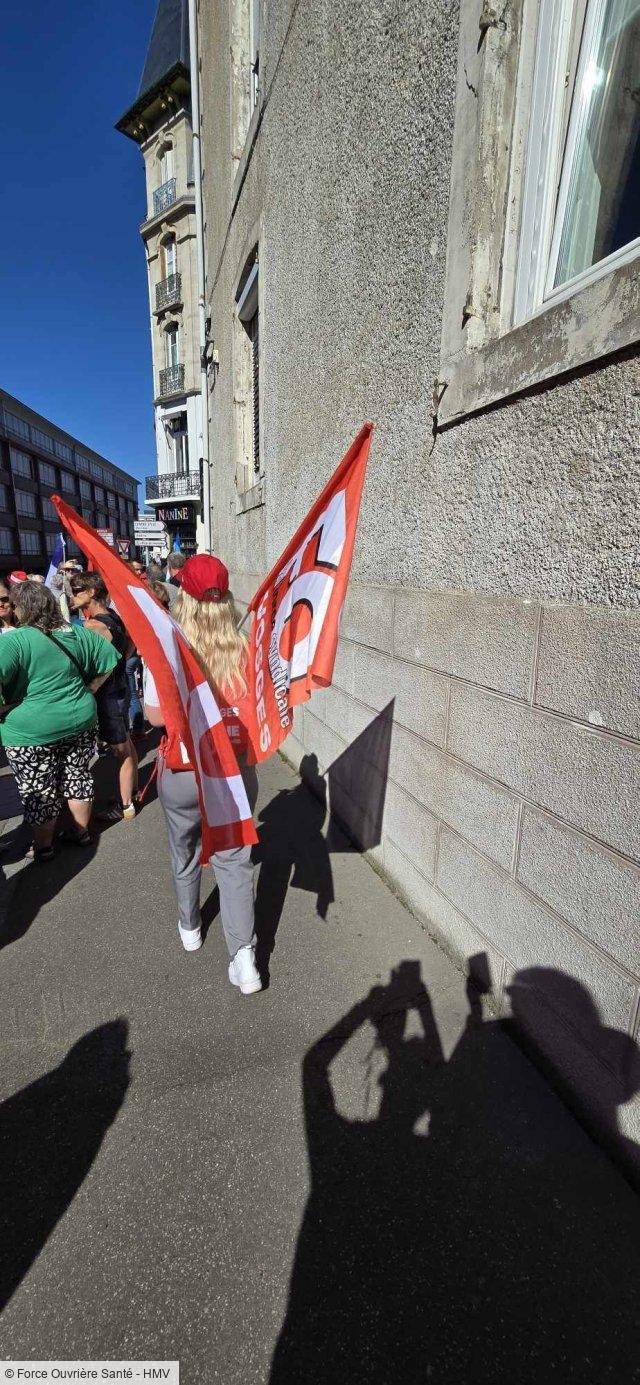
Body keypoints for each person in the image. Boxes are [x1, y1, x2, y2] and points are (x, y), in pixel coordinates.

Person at [143, 553, 261, 994]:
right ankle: (244, 958)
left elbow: (154, 716)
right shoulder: (246, 645)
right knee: (235, 861)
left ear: (184, 599)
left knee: (185, 849)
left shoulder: (167, 645)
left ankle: (190, 927)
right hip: (233, 770)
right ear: (225, 598)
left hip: (184, 770)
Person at [0, 582, 119, 860]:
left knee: (38, 788)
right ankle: (81, 833)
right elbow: (110, 658)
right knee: (78, 774)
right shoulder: (76, 632)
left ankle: (43, 847)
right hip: (80, 719)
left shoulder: (14, 641)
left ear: (22, 608)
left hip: (31, 730)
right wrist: (91, 688)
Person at [68, 573, 138, 821]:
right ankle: (130, 792)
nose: (71, 594)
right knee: (126, 744)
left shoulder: (93, 626)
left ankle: (126, 804)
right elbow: (130, 644)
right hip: (119, 690)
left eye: (77, 590)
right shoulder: (114, 617)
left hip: (109, 695)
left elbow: (105, 663)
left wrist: (95, 685)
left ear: (92, 593)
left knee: (121, 750)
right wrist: (122, 665)